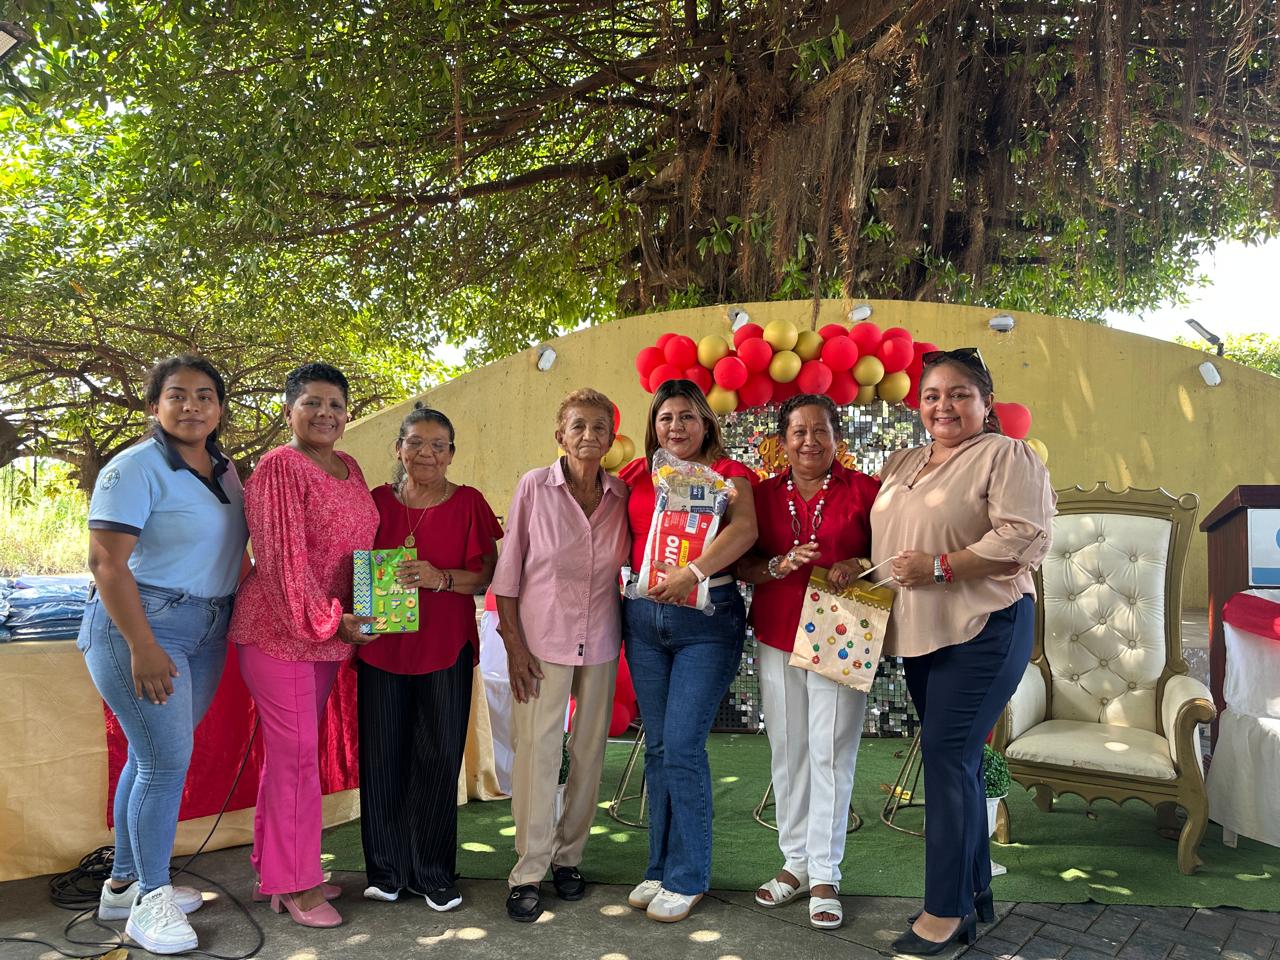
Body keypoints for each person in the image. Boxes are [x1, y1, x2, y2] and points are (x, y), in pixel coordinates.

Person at [870, 347, 1054, 955]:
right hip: (923, 630)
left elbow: (1024, 537)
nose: (943, 405)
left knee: (947, 758)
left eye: (958, 394)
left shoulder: (1006, 455)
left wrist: (942, 567)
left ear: (985, 402)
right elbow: (893, 537)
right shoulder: (904, 461)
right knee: (961, 761)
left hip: (985, 625)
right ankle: (975, 892)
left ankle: (944, 912)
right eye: (932, 395)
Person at [80, 355, 248, 955]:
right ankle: (150, 900)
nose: (192, 406)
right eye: (177, 395)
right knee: (164, 764)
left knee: (150, 758)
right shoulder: (134, 467)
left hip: (207, 627)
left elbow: (232, 554)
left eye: (205, 395)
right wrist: (143, 644)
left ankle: (125, 883)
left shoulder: (225, 470)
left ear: (220, 409)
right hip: (145, 627)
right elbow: (106, 563)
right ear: (155, 405)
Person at [227, 362, 380, 929]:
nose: (325, 414)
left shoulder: (350, 466)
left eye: (335, 404)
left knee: (290, 759)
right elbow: (280, 562)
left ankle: (275, 870)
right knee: (294, 764)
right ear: (289, 409)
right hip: (280, 634)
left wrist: (364, 609)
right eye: (312, 403)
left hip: (327, 636)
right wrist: (332, 620)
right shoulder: (279, 467)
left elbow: (355, 553)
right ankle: (297, 884)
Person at [736, 393, 880, 930]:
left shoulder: (866, 491)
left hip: (842, 632)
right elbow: (742, 564)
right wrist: (776, 565)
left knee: (832, 753)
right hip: (777, 632)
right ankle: (794, 862)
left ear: (837, 437)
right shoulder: (760, 496)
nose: (810, 442)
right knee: (789, 749)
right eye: (798, 432)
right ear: (783, 441)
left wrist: (858, 562)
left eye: (821, 431)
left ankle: (825, 874)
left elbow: (891, 555)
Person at [618, 378, 758, 923]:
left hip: (706, 620)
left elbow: (744, 531)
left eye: (686, 417)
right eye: (665, 418)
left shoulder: (729, 473)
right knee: (656, 748)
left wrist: (692, 572)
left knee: (681, 745)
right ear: (653, 426)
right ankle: (659, 868)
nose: (675, 427)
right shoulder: (640, 474)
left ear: (706, 422)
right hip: (643, 622)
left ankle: (688, 876)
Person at [491, 389, 630, 923]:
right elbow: (507, 574)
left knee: (589, 752)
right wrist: (514, 645)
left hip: (600, 641)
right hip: (540, 643)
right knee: (538, 754)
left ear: (611, 438)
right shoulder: (534, 486)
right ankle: (528, 871)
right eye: (578, 426)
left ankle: (568, 858)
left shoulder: (620, 494)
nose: (589, 435)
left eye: (599, 427)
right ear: (560, 435)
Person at [356, 403, 502, 911]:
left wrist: (438, 578)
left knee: (438, 759)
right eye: (415, 442)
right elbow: (351, 564)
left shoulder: (469, 503)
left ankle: (434, 874)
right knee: (382, 759)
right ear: (398, 448)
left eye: (438, 445)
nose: (426, 453)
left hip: (445, 648)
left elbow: (486, 575)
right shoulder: (374, 502)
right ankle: (387, 872)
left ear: (451, 454)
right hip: (381, 648)